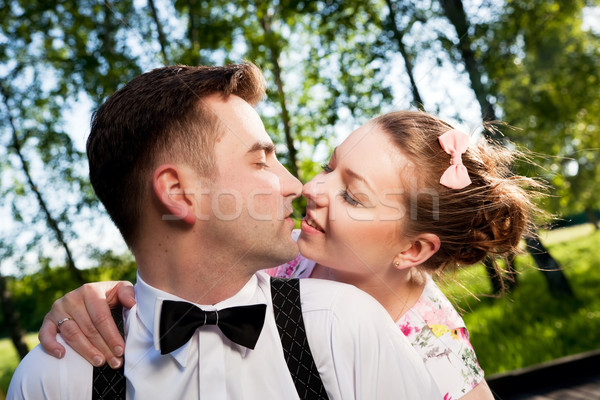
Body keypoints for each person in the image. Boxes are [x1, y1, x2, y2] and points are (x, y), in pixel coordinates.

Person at [8, 63, 441, 400]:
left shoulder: (345, 327)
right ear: (178, 193)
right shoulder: (54, 379)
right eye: (261, 160)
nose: (297, 185)